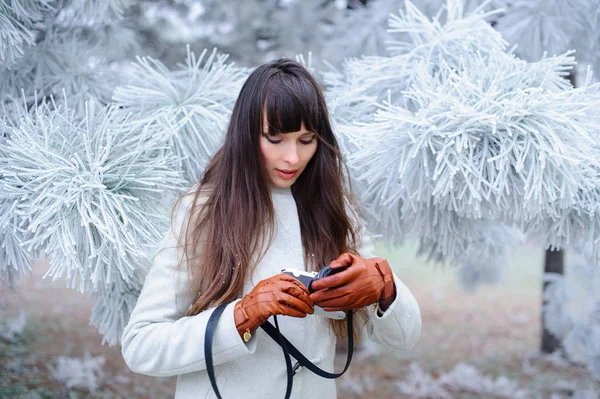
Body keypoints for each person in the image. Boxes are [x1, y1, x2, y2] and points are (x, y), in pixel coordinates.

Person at [121, 59, 421, 399]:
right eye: (275, 139)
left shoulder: (337, 211)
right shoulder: (204, 209)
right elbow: (140, 345)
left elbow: (404, 337)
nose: (292, 157)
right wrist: (241, 315)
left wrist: (384, 288)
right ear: (247, 134)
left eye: (306, 139)